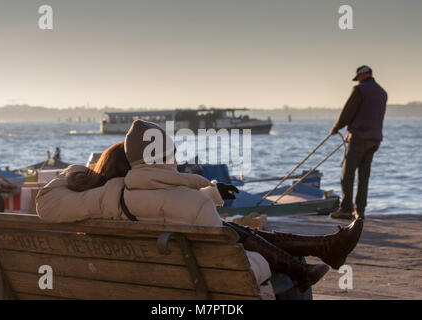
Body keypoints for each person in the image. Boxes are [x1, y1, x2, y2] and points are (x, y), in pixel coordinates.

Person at [36, 120, 363, 299]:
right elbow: (232, 266)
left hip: (138, 283)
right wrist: (201, 192)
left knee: (241, 237)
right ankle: (314, 255)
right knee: (267, 261)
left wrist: (76, 171)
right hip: (202, 289)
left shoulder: (110, 194)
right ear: (167, 157)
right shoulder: (190, 202)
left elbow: (48, 204)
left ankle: (321, 250)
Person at [330, 66, 388, 220]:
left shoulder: (359, 90)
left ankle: (346, 209)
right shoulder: (382, 93)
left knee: (347, 174)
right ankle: (360, 211)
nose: (358, 80)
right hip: (375, 140)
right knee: (364, 176)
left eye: (358, 77)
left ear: (362, 75)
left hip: (360, 138)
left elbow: (348, 111)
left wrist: (336, 127)